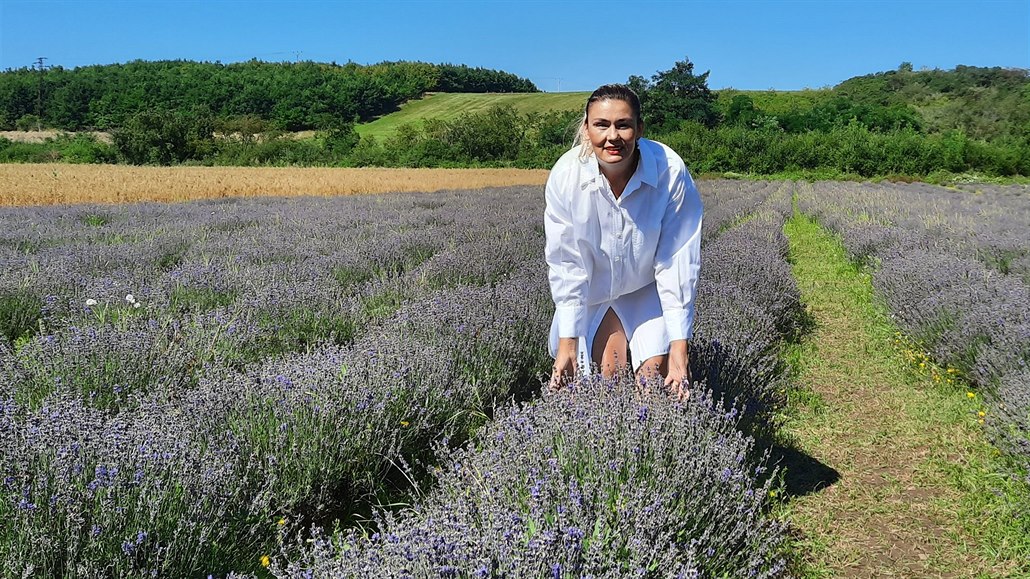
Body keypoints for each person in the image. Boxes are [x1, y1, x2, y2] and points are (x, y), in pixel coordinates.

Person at [544, 84, 703, 400]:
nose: (612, 136)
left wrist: (679, 348)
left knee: (654, 386)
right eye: (601, 125)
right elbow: (567, 263)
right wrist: (568, 344)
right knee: (609, 379)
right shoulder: (566, 176)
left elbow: (678, 261)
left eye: (623, 125)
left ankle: (652, 446)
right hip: (592, 293)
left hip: (645, 289)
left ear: (639, 129)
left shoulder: (670, 171)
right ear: (587, 129)